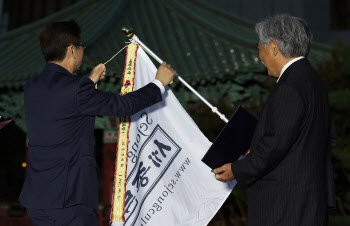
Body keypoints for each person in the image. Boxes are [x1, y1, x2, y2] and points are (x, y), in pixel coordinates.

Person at [19, 20, 175, 225]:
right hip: (69, 199)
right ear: (72, 50)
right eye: (82, 47)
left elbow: (63, 105)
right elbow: (123, 105)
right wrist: (158, 84)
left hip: (37, 198)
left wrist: (88, 82)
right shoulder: (77, 90)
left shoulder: (32, 86)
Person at [213, 14, 336, 226]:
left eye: (259, 48)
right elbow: (313, 139)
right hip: (308, 203)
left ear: (273, 47)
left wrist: (236, 169)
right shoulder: (312, 79)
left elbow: (275, 145)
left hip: (285, 207)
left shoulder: (289, 86)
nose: (259, 56)